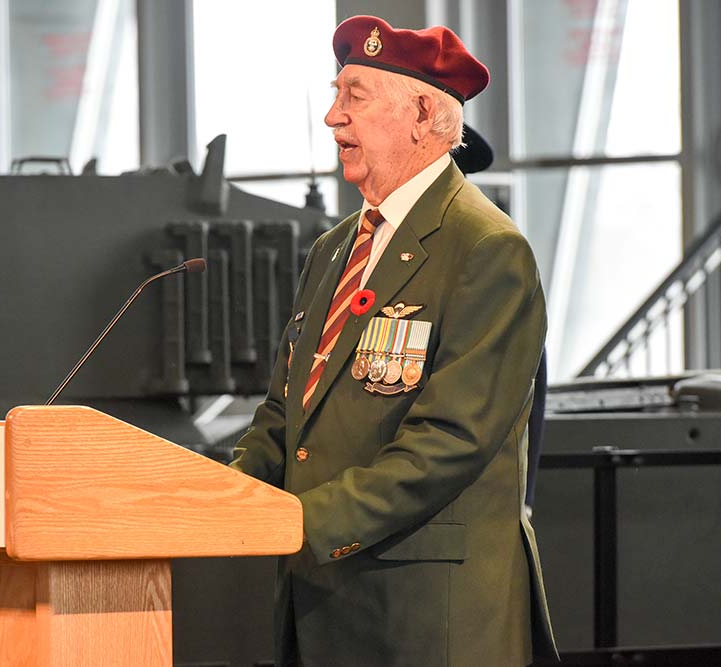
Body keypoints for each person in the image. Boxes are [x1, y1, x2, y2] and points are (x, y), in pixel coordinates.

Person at [230, 15, 557, 666]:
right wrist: (219, 496)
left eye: (354, 96)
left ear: (422, 115)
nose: (333, 117)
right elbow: (285, 415)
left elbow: (449, 441)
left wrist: (300, 522)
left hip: (426, 616)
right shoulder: (334, 249)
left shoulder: (487, 248)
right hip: (322, 604)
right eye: (336, 94)